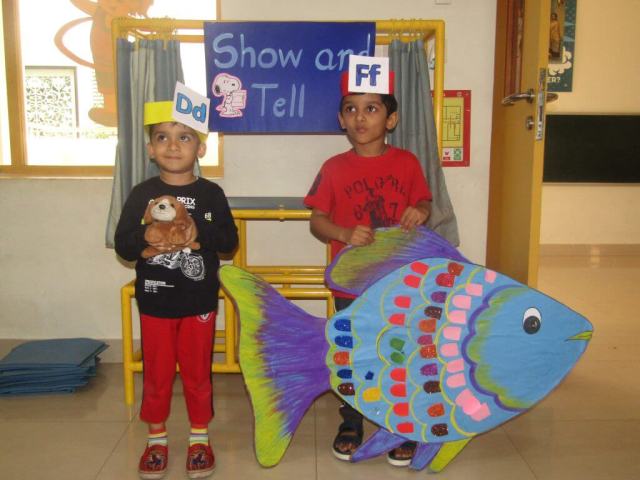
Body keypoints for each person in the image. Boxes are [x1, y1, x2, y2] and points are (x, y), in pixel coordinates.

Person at [304, 68, 432, 467]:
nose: (361, 117)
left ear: (390, 119)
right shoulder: (334, 167)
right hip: (352, 283)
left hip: (401, 283)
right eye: (351, 109)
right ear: (342, 119)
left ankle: (402, 423)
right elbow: (316, 220)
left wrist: (419, 212)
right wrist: (342, 231)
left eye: (371, 109)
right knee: (354, 354)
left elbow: (425, 204)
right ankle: (351, 422)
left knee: (400, 353)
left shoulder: (408, 163)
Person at [115, 100, 238, 479]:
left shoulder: (212, 194)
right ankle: (157, 439)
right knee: (158, 372)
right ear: (150, 149)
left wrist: (199, 231)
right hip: (154, 300)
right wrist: (146, 234)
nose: (172, 145)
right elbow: (123, 244)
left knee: (199, 371)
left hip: (199, 301)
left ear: (200, 148)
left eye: (184, 137)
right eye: (162, 137)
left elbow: (228, 242)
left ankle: (199, 437)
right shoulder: (141, 193)